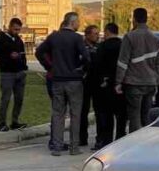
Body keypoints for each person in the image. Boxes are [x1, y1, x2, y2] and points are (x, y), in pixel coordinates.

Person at [35, 12, 89, 156]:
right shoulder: (77, 38)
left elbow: (39, 52)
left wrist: (50, 66)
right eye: (78, 22)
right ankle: (74, 147)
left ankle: (57, 147)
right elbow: (87, 57)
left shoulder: (54, 37)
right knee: (75, 114)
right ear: (73, 22)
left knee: (58, 114)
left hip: (57, 80)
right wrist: (81, 68)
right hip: (74, 80)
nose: (79, 24)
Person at [115, 7, 159, 133]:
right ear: (146, 19)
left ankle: (135, 143)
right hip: (150, 83)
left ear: (134, 20)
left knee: (134, 117)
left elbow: (122, 62)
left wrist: (118, 82)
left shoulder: (130, 37)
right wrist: (156, 79)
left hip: (134, 83)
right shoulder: (155, 38)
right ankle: (146, 141)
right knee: (146, 116)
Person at [90, 22, 127, 150]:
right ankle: (121, 138)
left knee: (106, 115)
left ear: (107, 32)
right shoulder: (123, 45)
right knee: (121, 115)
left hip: (105, 86)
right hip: (120, 84)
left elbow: (96, 65)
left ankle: (106, 141)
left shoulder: (102, 47)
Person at [0, 18, 29, 132]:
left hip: (20, 73)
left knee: (19, 98)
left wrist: (24, 67)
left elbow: (23, 54)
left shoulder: (18, 40)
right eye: (15, 29)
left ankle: (15, 122)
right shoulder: (1, 39)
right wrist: (8, 56)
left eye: (19, 30)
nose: (17, 32)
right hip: (7, 73)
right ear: (10, 27)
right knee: (6, 99)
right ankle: (2, 123)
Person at [79, 25, 101, 147]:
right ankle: (82, 138)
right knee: (83, 111)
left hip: (96, 83)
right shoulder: (81, 47)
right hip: (84, 82)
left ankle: (99, 138)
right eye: (95, 34)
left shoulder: (99, 47)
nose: (97, 36)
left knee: (99, 112)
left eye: (98, 33)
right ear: (87, 35)